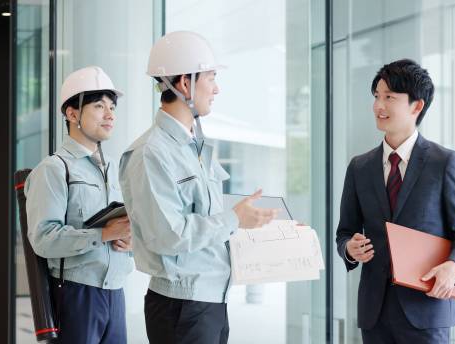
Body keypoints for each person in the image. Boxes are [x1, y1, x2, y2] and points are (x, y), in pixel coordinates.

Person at [119, 31, 277, 344]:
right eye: (211, 77)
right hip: (182, 306)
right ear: (185, 84)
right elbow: (168, 234)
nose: (216, 88)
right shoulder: (151, 153)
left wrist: (250, 221)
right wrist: (233, 219)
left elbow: (210, 218)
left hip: (211, 300)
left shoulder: (196, 147)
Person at [335, 59, 455, 344]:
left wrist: (453, 267)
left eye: (389, 97)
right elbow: (345, 232)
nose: (378, 105)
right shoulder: (359, 167)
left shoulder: (444, 162)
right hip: (375, 312)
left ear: (416, 106)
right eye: (376, 96)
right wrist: (350, 249)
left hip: (427, 308)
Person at [25, 66, 134, 344]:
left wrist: (128, 242)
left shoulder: (114, 169)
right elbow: (43, 239)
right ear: (72, 114)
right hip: (75, 295)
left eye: (112, 107)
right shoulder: (54, 169)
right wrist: (104, 234)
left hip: (115, 294)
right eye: (99, 106)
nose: (110, 114)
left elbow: (121, 228)